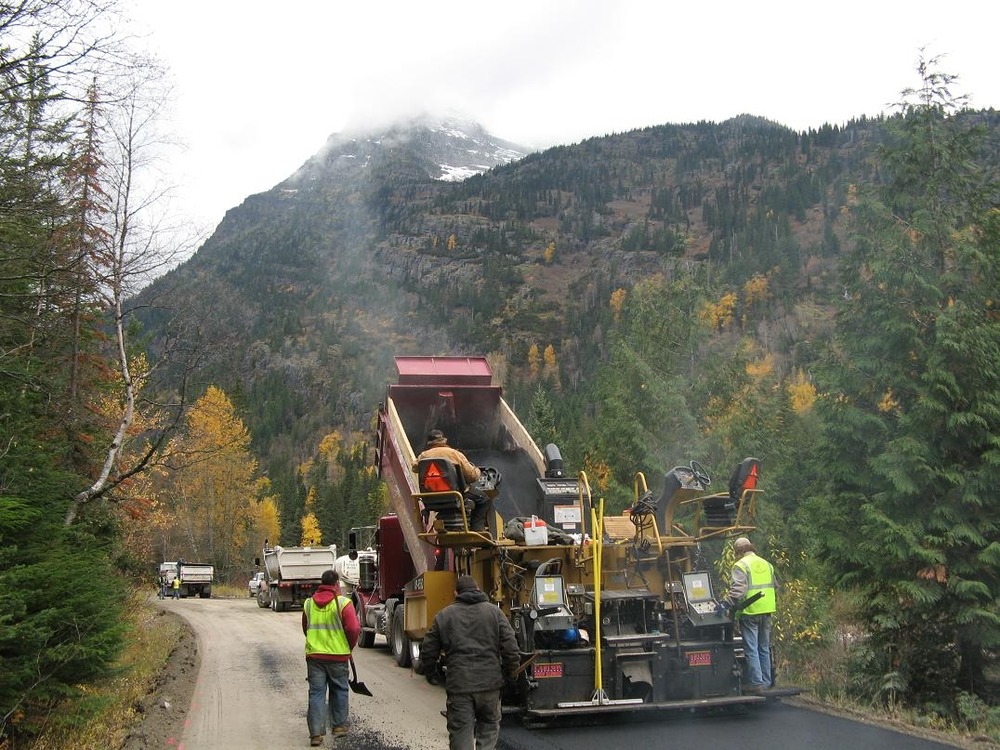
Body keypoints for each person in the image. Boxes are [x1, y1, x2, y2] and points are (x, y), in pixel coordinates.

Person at [416, 575, 519, 750]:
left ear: (456, 593)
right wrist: (511, 673)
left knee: (461, 732)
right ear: (478, 589)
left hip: (460, 687)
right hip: (490, 686)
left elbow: (428, 649)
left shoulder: (444, 615)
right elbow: (510, 647)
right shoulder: (495, 613)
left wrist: (430, 673)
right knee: (488, 730)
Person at [302, 569, 361, 747]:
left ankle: (316, 734)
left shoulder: (308, 604)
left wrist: (316, 642)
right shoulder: (343, 603)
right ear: (336, 584)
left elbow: (306, 628)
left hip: (315, 657)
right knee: (340, 690)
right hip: (338, 656)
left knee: (317, 693)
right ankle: (339, 727)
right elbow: (353, 629)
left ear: (322, 583)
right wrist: (347, 647)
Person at [718, 536, 776, 692]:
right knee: (764, 647)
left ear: (737, 551)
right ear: (751, 547)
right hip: (767, 610)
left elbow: (738, 590)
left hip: (750, 611)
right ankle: (766, 682)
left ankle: (756, 684)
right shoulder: (767, 564)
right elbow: (775, 586)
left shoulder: (741, 565)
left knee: (751, 648)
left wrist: (725, 604)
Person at [413, 429, 488, 530]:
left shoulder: (423, 456)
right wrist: (478, 471)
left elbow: (414, 468)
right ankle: (477, 529)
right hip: (455, 494)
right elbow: (472, 476)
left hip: (431, 497)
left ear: (429, 442)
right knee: (484, 499)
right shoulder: (454, 454)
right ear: (443, 440)